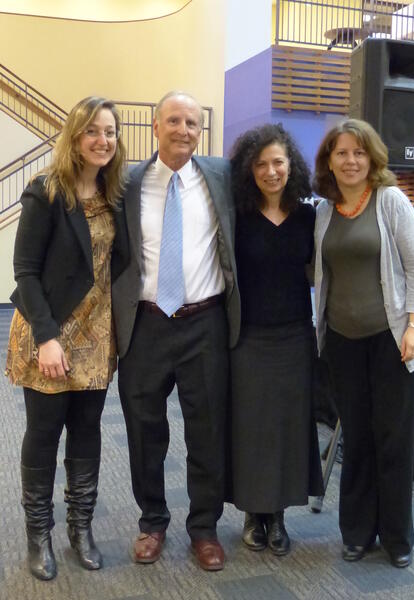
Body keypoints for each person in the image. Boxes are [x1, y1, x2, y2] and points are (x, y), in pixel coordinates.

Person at [111, 91, 240, 571]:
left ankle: (204, 528)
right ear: (155, 124)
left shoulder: (221, 175)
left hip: (204, 323)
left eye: (192, 123)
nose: (183, 130)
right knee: (144, 430)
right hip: (145, 323)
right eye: (174, 120)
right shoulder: (127, 182)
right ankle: (152, 522)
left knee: (207, 430)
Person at [6, 96, 126, 580]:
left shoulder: (115, 193)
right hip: (49, 328)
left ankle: (81, 528)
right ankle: (39, 535)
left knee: (87, 429)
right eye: (92, 131)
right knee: (44, 431)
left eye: (110, 132)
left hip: (96, 332)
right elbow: (25, 271)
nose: (102, 140)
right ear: (74, 137)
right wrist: (47, 337)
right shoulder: (47, 190)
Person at [312, 118, 414, 569]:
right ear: (329, 160)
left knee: (393, 440)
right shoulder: (324, 212)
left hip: (393, 341)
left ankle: (397, 537)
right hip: (343, 343)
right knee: (357, 439)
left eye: (359, 152)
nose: (351, 161)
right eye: (341, 153)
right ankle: (357, 533)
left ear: (372, 157)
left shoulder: (390, 201)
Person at [228, 124, 323, 556]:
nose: (270, 171)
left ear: (291, 166)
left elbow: (319, 271)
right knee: (251, 427)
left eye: (278, 162)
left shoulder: (308, 217)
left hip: (294, 336)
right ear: (250, 169)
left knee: (288, 427)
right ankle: (253, 513)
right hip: (248, 337)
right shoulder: (238, 215)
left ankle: (279, 515)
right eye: (261, 164)